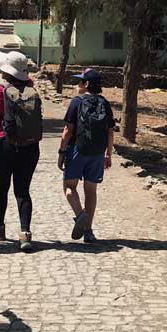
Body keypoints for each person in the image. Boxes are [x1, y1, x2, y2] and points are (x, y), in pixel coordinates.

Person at [0, 49, 42, 252]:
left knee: (1, 188)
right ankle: (25, 233)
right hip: (30, 146)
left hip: (4, 144)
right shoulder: (31, 87)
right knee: (23, 191)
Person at [59, 68, 114, 244]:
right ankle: (88, 232)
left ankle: (80, 215)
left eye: (80, 81)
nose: (77, 85)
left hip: (77, 149)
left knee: (69, 187)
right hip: (97, 152)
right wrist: (108, 154)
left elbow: (67, 131)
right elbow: (110, 132)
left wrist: (61, 152)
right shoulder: (105, 103)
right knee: (91, 191)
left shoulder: (77, 102)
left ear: (87, 84)